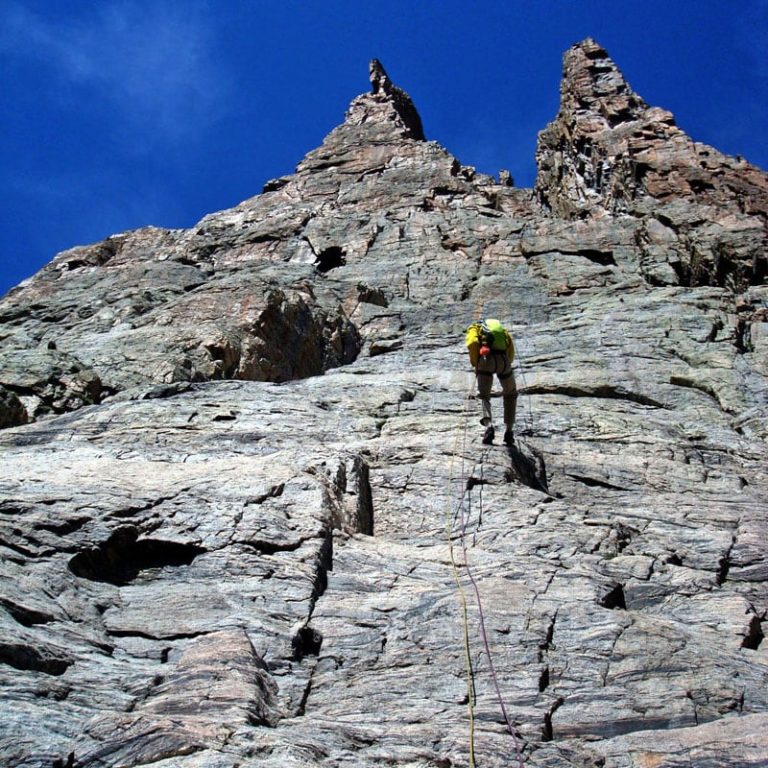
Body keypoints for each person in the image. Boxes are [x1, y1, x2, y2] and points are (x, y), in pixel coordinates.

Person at [465, 318, 517, 445]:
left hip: (486, 359)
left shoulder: (475, 327)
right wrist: (507, 363)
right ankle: (509, 432)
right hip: (503, 361)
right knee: (510, 393)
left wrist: (475, 362)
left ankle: (489, 426)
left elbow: (472, 343)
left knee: (484, 395)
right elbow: (510, 347)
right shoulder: (502, 330)